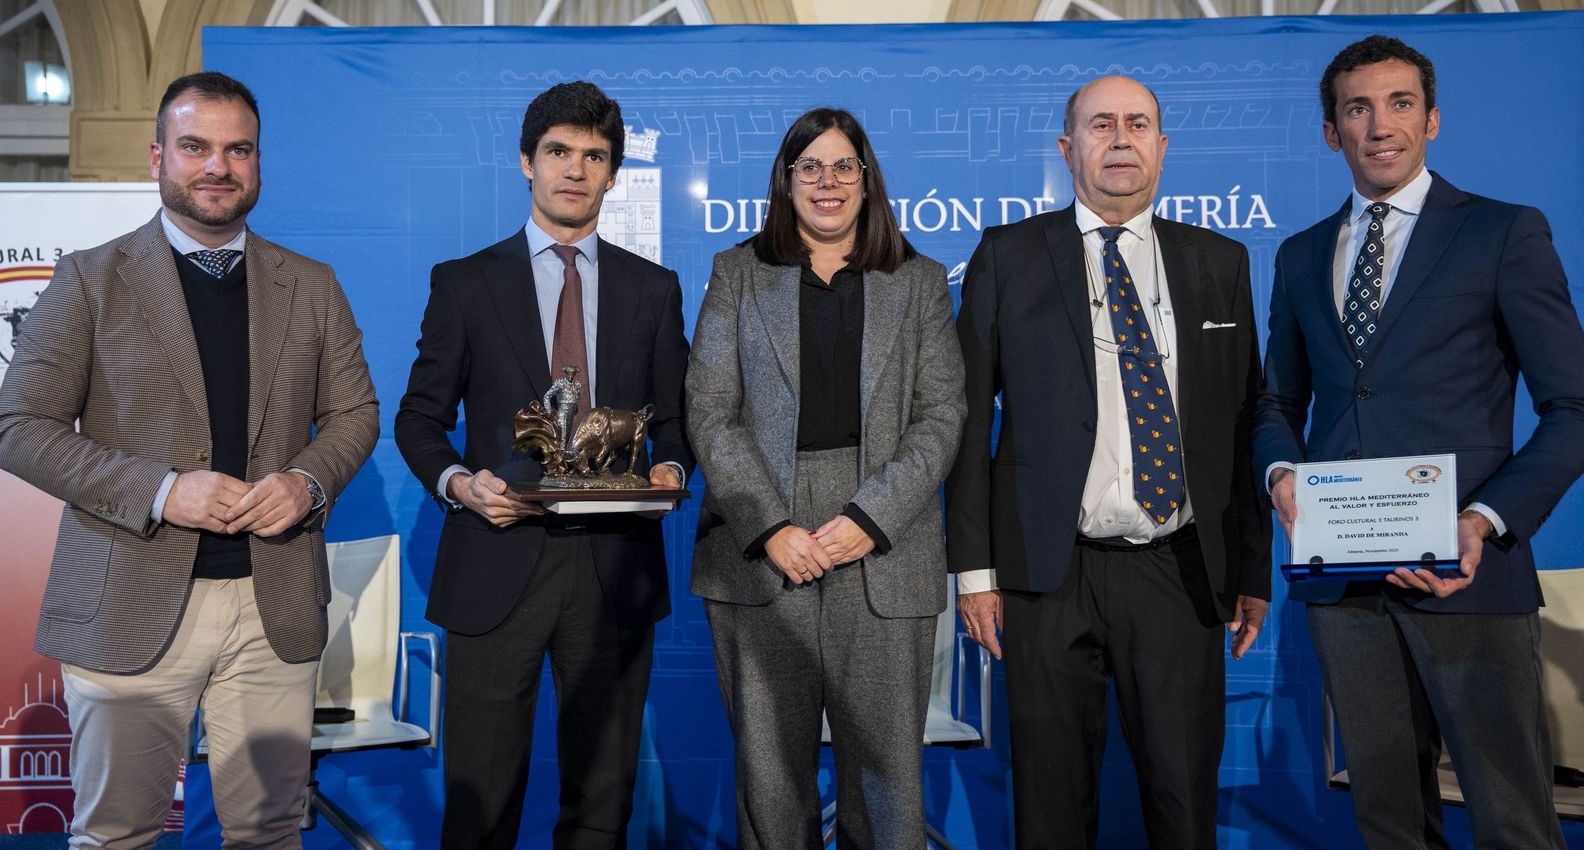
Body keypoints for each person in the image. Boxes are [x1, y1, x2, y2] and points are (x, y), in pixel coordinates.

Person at [0, 71, 380, 847]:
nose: (218, 167)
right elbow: (20, 428)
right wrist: (162, 490)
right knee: (117, 834)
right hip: (127, 600)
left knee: (269, 831)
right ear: (157, 156)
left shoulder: (312, 285)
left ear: (259, 163)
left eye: (239, 150)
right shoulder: (89, 280)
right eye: (196, 147)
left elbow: (354, 414)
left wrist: (306, 483)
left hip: (275, 606)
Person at [1255, 34, 1584, 850]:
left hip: (1468, 582)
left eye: (1400, 104)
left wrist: (1482, 522)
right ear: (1332, 131)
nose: (1380, 126)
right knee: (1389, 821)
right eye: (1357, 108)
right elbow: (1275, 401)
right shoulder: (1299, 257)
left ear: (1432, 119)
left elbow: (1574, 407)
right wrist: (1281, 475)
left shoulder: (1503, 234)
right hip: (1344, 587)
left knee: (1513, 820)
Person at [947, 74, 1270, 848]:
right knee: (1052, 809)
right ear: (1068, 148)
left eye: (1138, 124)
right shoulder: (1008, 255)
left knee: (1184, 799)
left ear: (1162, 146)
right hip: (1044, 574)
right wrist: (976, 572)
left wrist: (1253, 571)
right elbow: (963, 424)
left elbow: (1245, 420)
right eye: (1100, 124)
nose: (1120, 138)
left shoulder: (1220, 261)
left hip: (1180, 569)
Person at [395, 80, 693, 848]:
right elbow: (419, 420)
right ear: (526, 161)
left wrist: (673, 470)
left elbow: (678, 420)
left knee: (601, 812)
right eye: (559, 151)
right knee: (480, 808)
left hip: (616, 572)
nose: (575, 169)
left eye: (595, 156)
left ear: (612, 174)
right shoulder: (464, 283)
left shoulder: (653, 289)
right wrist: (459, 483)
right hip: (496, 560)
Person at [686, 107, 964, 848]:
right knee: (770, 783)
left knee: (888, 783)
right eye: (809, 167)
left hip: (882, 539)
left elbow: (941, 417)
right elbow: (709, 411)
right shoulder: (736, 274)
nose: (827, 182)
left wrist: (867, 521)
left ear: (868, 181)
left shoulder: (920, 281)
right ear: (785, 182)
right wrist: (772, 527)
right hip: (759, 541)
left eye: (844, 166)